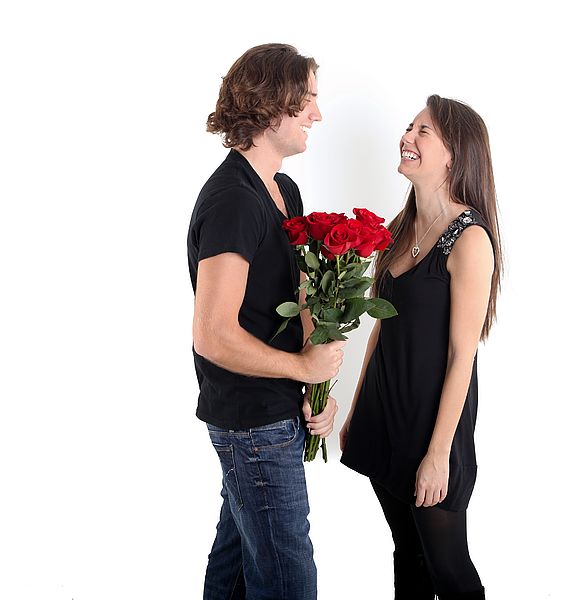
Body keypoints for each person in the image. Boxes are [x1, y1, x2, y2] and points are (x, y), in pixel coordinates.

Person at [187, 43, 344, 600]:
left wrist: (315, 383)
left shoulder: (284, 190)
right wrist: (300, 364)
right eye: (307, 100)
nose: (316, 115)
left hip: (276, 412)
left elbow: (298, 291)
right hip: (250, 424)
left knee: (235, 567)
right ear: (271, 102)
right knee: (286, 579)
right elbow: (212, 334)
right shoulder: (233, 199)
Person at [340, 95, 502, 600]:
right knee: (406, 554)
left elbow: (462, 357)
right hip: (382, 417)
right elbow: (380, 328)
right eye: (410, 127)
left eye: (422, 131)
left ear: (454, 153)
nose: (407, 137)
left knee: (450, 572)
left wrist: (437, 455)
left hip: (433, 430)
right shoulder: (398, 229)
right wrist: (354, 412)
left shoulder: (470, 239)